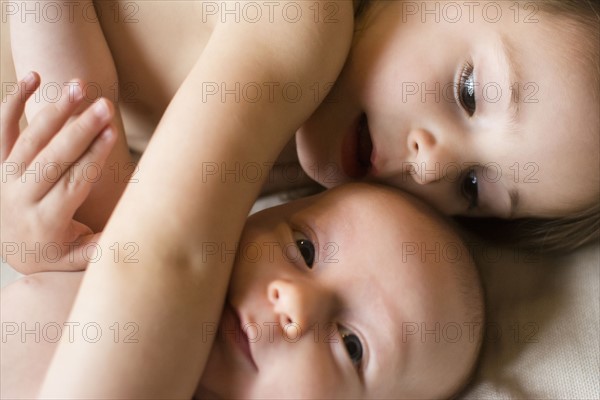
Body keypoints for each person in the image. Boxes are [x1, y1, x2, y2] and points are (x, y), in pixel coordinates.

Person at [4, 0, 598, 259]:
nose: (431, 167)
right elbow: (132, 243)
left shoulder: (294, 184)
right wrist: (84, 209)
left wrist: (32, 239)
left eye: (472, 187)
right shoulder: (303, 16)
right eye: (469, 93)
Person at [1, 110, 484, 397]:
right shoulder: (134, 256)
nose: (296, 304)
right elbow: (81, 103)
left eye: (352, 346)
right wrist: (30, 244)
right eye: (303, 248)